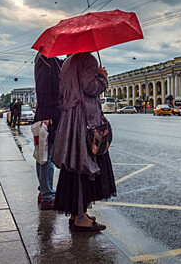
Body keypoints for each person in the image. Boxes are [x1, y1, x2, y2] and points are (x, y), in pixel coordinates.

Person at [51, 53, 116, 231]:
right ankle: (80, 217)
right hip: (85, 121)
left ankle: (76, 213)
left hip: (70, 120)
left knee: (73, 166)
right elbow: (90, 87)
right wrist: (102, 77)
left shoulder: (67, 63)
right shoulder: (88, 59)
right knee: (84, 166)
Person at [33, 53, 63, 210]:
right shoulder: (45, 59)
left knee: (42, 155)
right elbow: (43, 87)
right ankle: (48, 196)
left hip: (47, 114)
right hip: (49, 115)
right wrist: (46, 116)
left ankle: (43, 191)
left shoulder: (49, 59)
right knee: (47, 156)